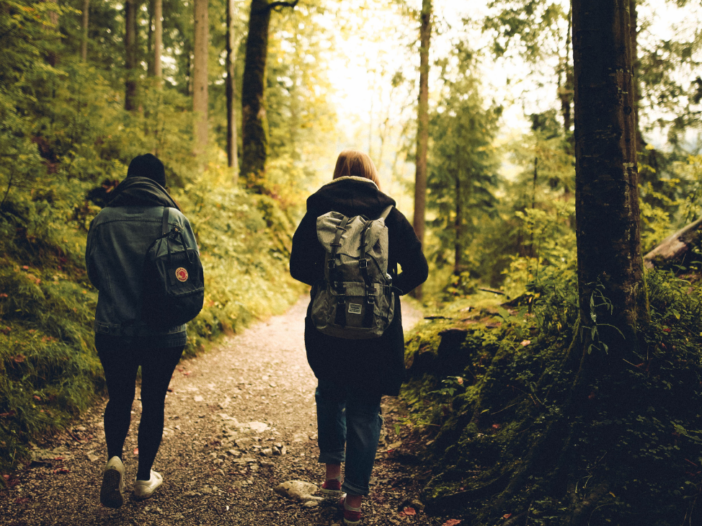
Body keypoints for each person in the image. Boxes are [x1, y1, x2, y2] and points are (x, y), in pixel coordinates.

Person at [290, 150, 428, 525]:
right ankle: (353, 504)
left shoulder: (317, 214)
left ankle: (331, 477)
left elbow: (297, 267)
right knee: (366, 410)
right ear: (371, 176)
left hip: (327, 328)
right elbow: (419, 269)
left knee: (329, 392)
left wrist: (328, 283)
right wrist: (388, 289)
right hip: (376, 334)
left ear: (337, 175)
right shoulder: (389, 215)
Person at [85, 154, 198, 508]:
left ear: (129, 180)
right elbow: (191, 275)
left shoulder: (103, 220)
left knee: (119, 397)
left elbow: (94, 274)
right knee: (153, 401)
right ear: (161, 183)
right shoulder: (174, 219)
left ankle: (115, 458)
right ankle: (143, 478)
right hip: (164, 332)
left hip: (113, 328)